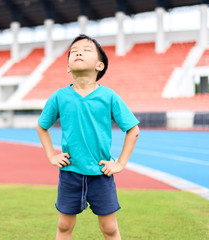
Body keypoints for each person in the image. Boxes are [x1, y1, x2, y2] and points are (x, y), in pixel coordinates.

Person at [36, 34, 140, 240]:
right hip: (70, 173)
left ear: (100, 65)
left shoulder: (109, 96)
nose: (78, 52)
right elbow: (41, 126)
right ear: (67, 67)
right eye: (73, 51)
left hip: (101, 174)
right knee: (64, 226)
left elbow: (133, 130)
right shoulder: (59, 96)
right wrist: (51, 156)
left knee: (109, 228)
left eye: (86, 50)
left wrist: (120, 163)